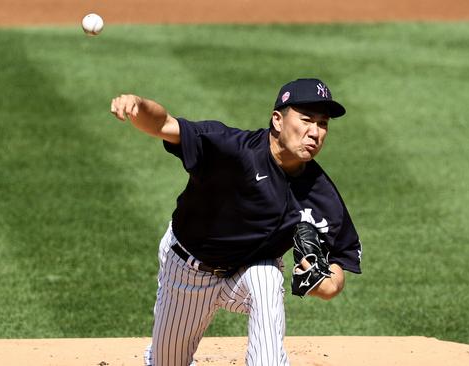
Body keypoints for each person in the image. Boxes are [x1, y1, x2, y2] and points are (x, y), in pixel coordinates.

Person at [110, 78, 362, 366]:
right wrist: (138, 106)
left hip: (248, 274)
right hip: (188, 269)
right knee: (168, 362)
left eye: (323, 124)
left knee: (266, 278)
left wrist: (330, 286)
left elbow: (340, 259)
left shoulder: (320, 195)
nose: (315, 132)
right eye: (306, 120)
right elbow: (164, 125)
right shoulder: (233, 150)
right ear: (277, 120)